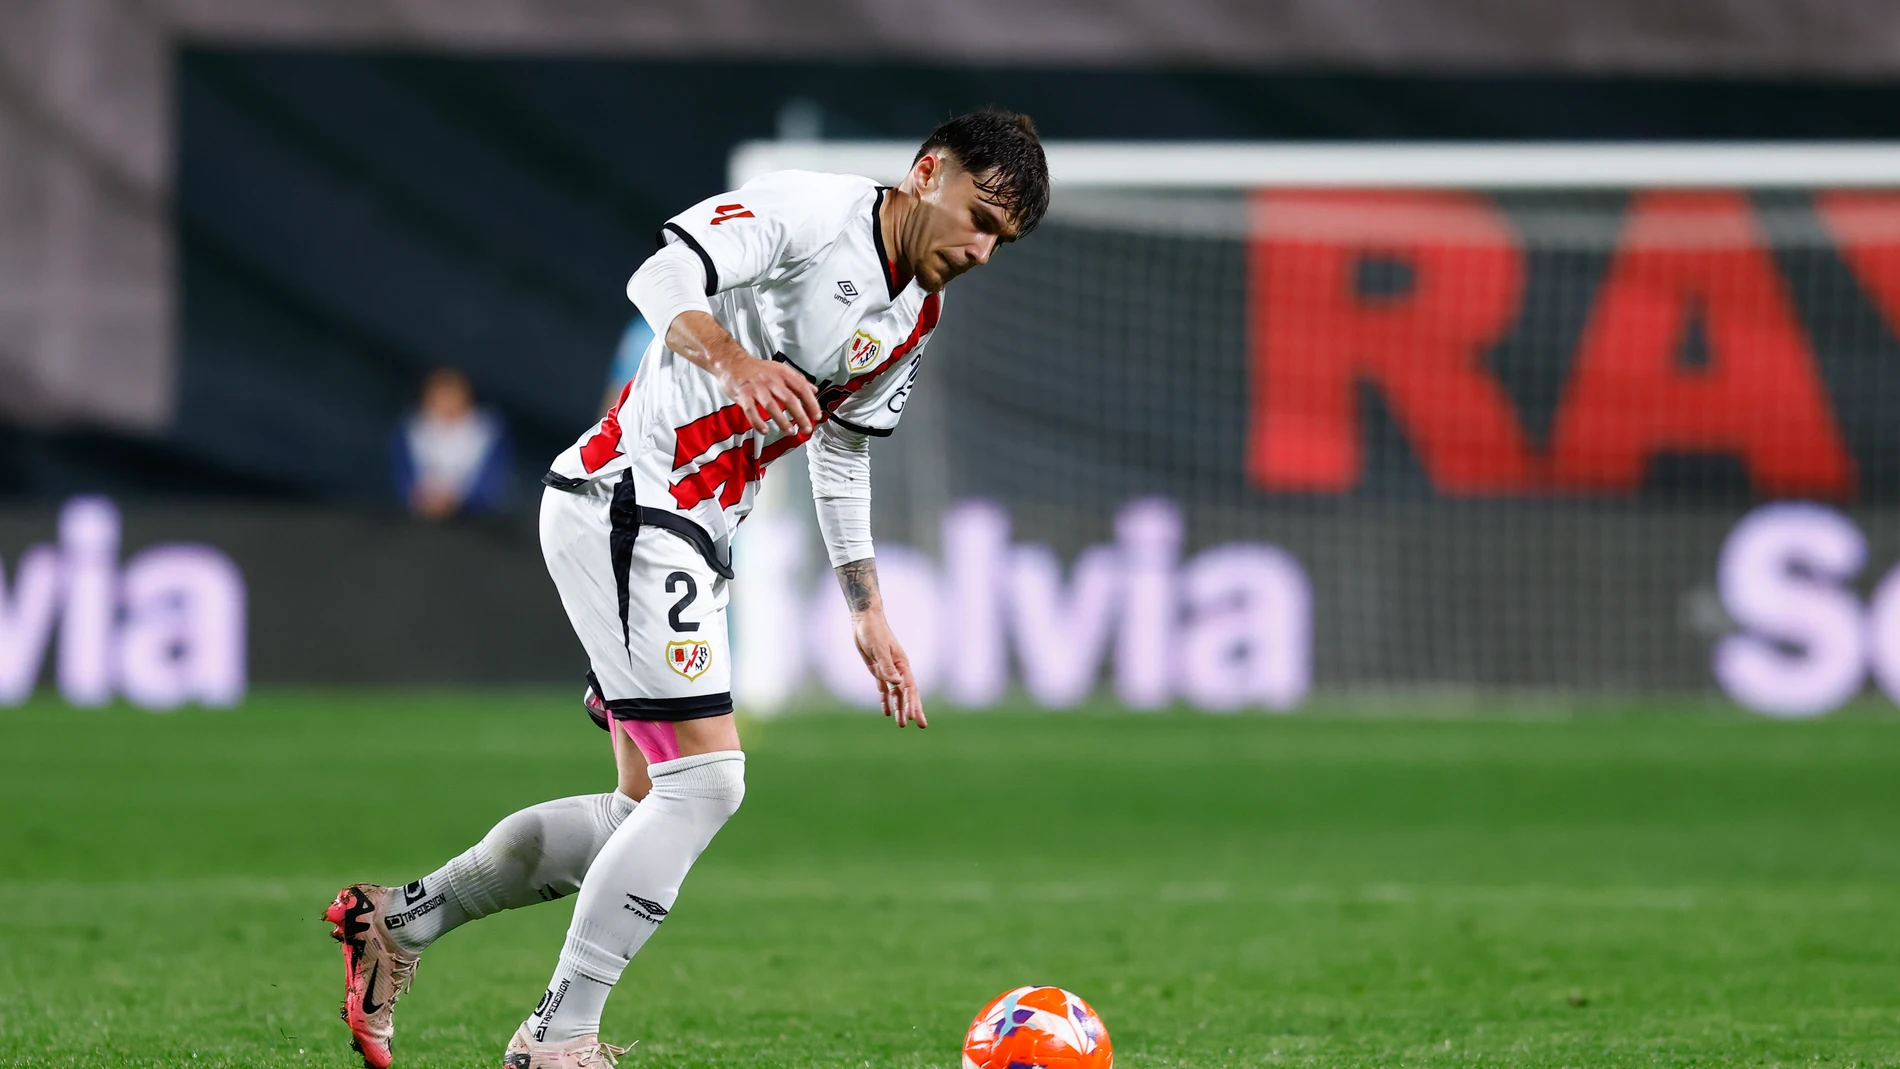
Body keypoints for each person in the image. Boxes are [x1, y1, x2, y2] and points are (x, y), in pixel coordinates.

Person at [322, 109, 1050, 1069]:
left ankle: (401, 919)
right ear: (928, 172)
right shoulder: (808, 210)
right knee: (710, 782)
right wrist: (737, 364)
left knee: (643, 809)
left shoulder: (916, 310)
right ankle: (557, 1034)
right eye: (982, 217)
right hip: (629, 498)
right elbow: (657, 276)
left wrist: (866, 607)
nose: (984, 250)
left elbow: (843, 452)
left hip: (689, 534)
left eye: (1004, 238)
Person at [393, 367, 512, 518]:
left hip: (475, 519)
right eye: (441, 396)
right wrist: (422, 497)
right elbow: (404, 475)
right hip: (419, 516)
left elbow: (493, 480)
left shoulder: (487, 429)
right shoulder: (412, 428)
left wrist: (459, 500)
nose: (447, 402)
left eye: (453, 395)